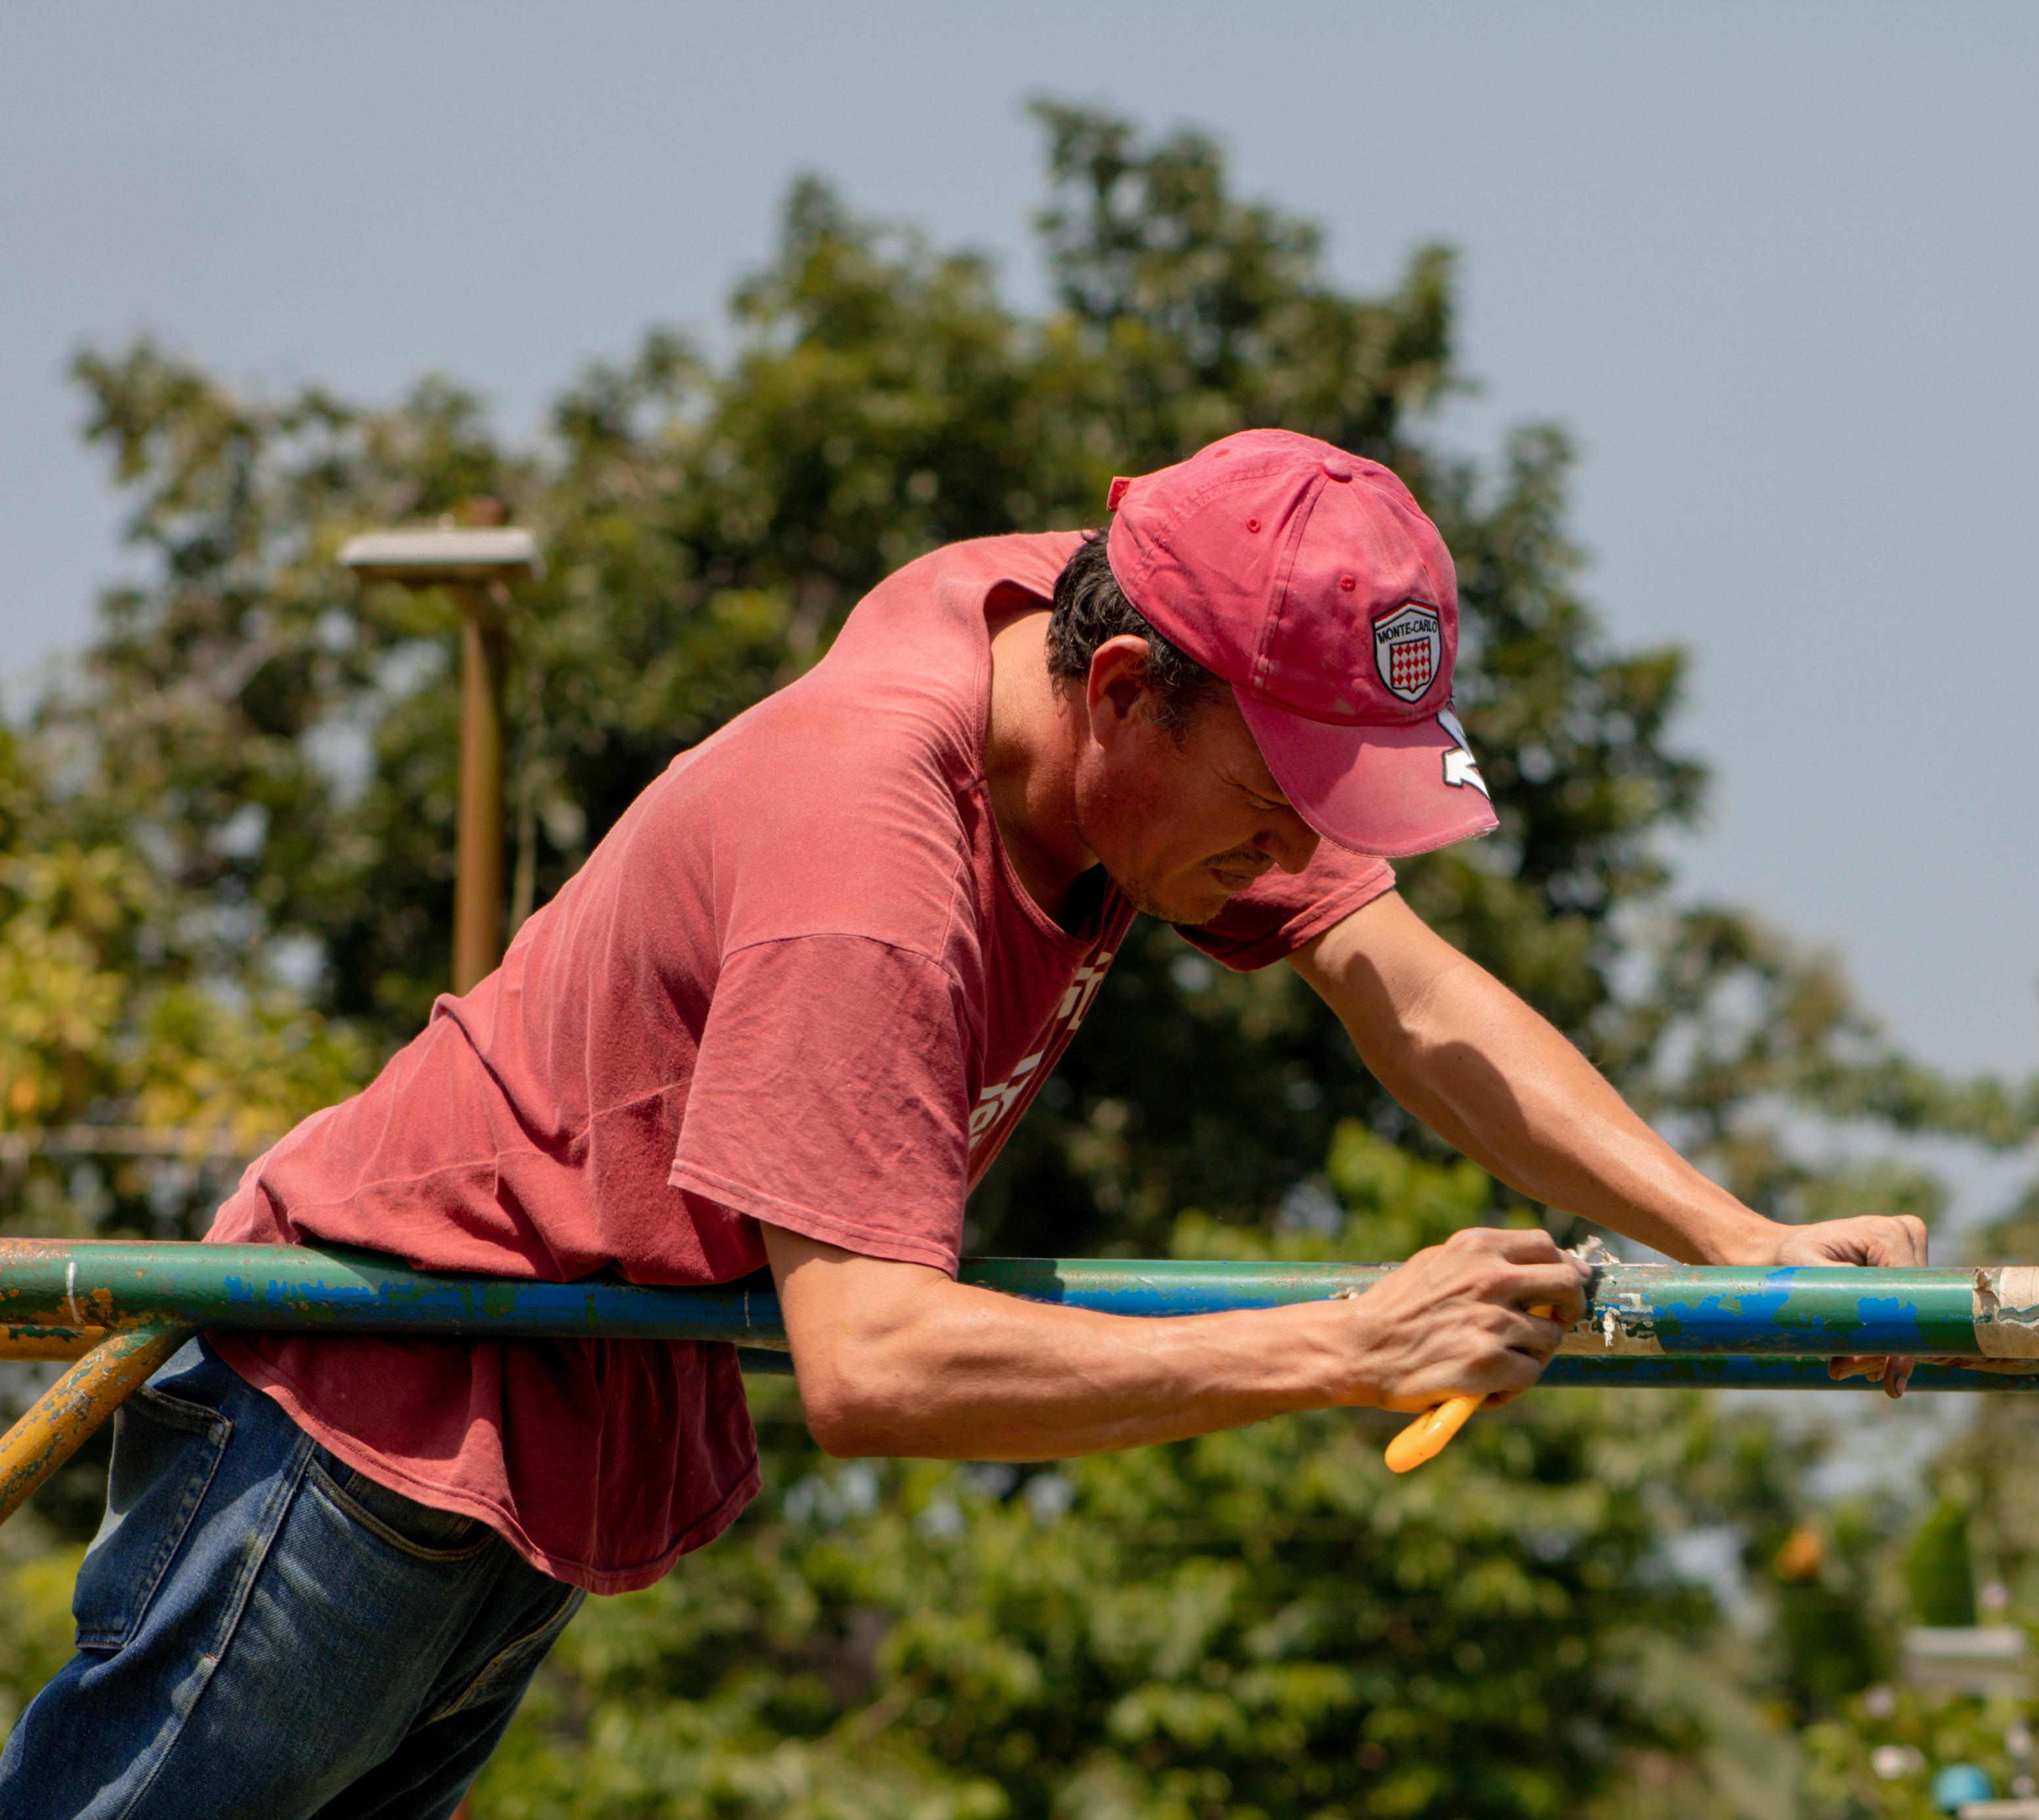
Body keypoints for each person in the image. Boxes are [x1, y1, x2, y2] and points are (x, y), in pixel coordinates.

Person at [0, 429, 1926, 1817]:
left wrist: (1740, 1242)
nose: (1297, 852)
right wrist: (1353, 1343)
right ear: (1126, 693)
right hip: (370, 1390)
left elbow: (1400, 983)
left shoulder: (1077, 633)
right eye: (1277, 801)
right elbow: (877, 1362)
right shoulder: (873, 853)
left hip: (563, 1396)